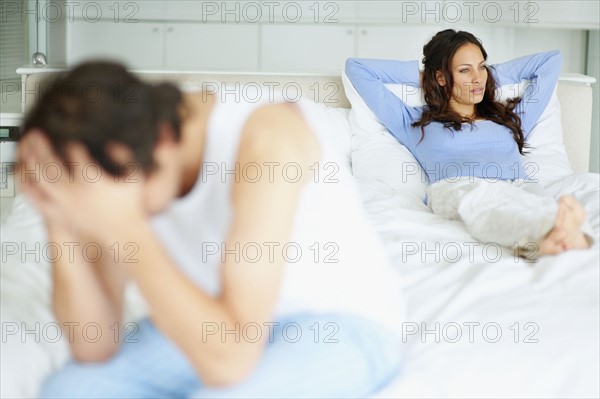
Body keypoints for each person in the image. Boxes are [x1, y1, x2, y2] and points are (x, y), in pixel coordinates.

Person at [18, 62, 404, 398]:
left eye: (133, 203)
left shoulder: (267, 137)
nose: (125, 211)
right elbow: (94, 345)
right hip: (217, 318)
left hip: (338, 326)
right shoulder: (108, 151)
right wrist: (59, 214)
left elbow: (230, 362)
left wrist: (124, 226)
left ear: (166, 140)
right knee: (69, 391)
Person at [346, 29, 593, 258]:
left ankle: (558, 230)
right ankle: (542, 237)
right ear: (442, 77)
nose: (478, 79)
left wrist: (485, 75)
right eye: (465, 70)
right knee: (480, 203)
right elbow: (356, 68)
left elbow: (550, 61)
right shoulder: (416, 123)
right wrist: (428, 75)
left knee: (536, 200)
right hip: (457, 188)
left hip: (516, 186)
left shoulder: (508, 119)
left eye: (482, 67)